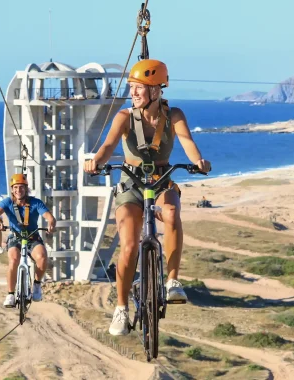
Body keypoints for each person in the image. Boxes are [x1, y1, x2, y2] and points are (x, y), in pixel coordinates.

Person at [84, 59, 211, 336]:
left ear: (156, 90)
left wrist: (198, 160)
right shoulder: (125, 117)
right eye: (132, 88)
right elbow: (108, 145)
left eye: (139, 88)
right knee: (129, 245)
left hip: (162, 179)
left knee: (172, 214)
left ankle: (173, 281)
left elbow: (187, 141)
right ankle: (121, 309)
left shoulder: (174, 115)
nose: (133, 93)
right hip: (131, 181)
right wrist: (96, 161)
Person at [0, 174, 56, 308]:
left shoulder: (35, 202)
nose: (18, 190)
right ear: (12, 189)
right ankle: (10, 294)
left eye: (21, 187)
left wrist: (51, 222)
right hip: (16, 237)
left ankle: (37, 285)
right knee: (13, 260)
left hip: (32, 237)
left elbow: (49, 216)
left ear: (26, 189)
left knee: (42, 257)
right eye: (15, 187)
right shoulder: (8, 202)